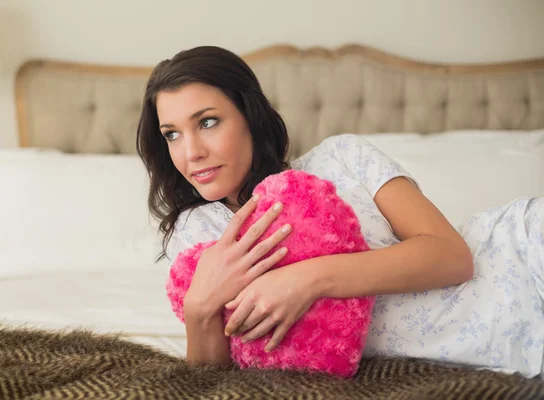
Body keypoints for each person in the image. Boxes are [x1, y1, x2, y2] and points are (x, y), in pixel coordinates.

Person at [136, 46, 544, 378]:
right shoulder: (195, 235)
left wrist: (308, 279)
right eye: (171, 134)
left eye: (207, 122)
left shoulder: (342, 158)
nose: (191, 153)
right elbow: (210, 380)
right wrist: (198, 310)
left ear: (250, 117)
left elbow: (453, 257)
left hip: (522, 259)